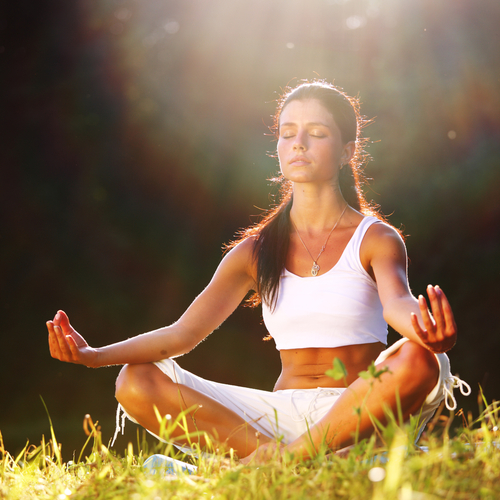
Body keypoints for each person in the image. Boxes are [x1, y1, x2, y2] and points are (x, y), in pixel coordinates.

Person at [47, 80, 469, 463]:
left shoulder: (376, 237)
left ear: (346, 151)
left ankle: (288, 462)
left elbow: (397, 304)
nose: (298, 143)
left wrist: (426, 329)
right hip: (277, 419)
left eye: (316, 133)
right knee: (135, 380)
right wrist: (94, 356)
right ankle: (282, 458)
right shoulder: (254, 251)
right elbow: (180, 336)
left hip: (357, 412)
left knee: (421, 358)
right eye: (288, 134)